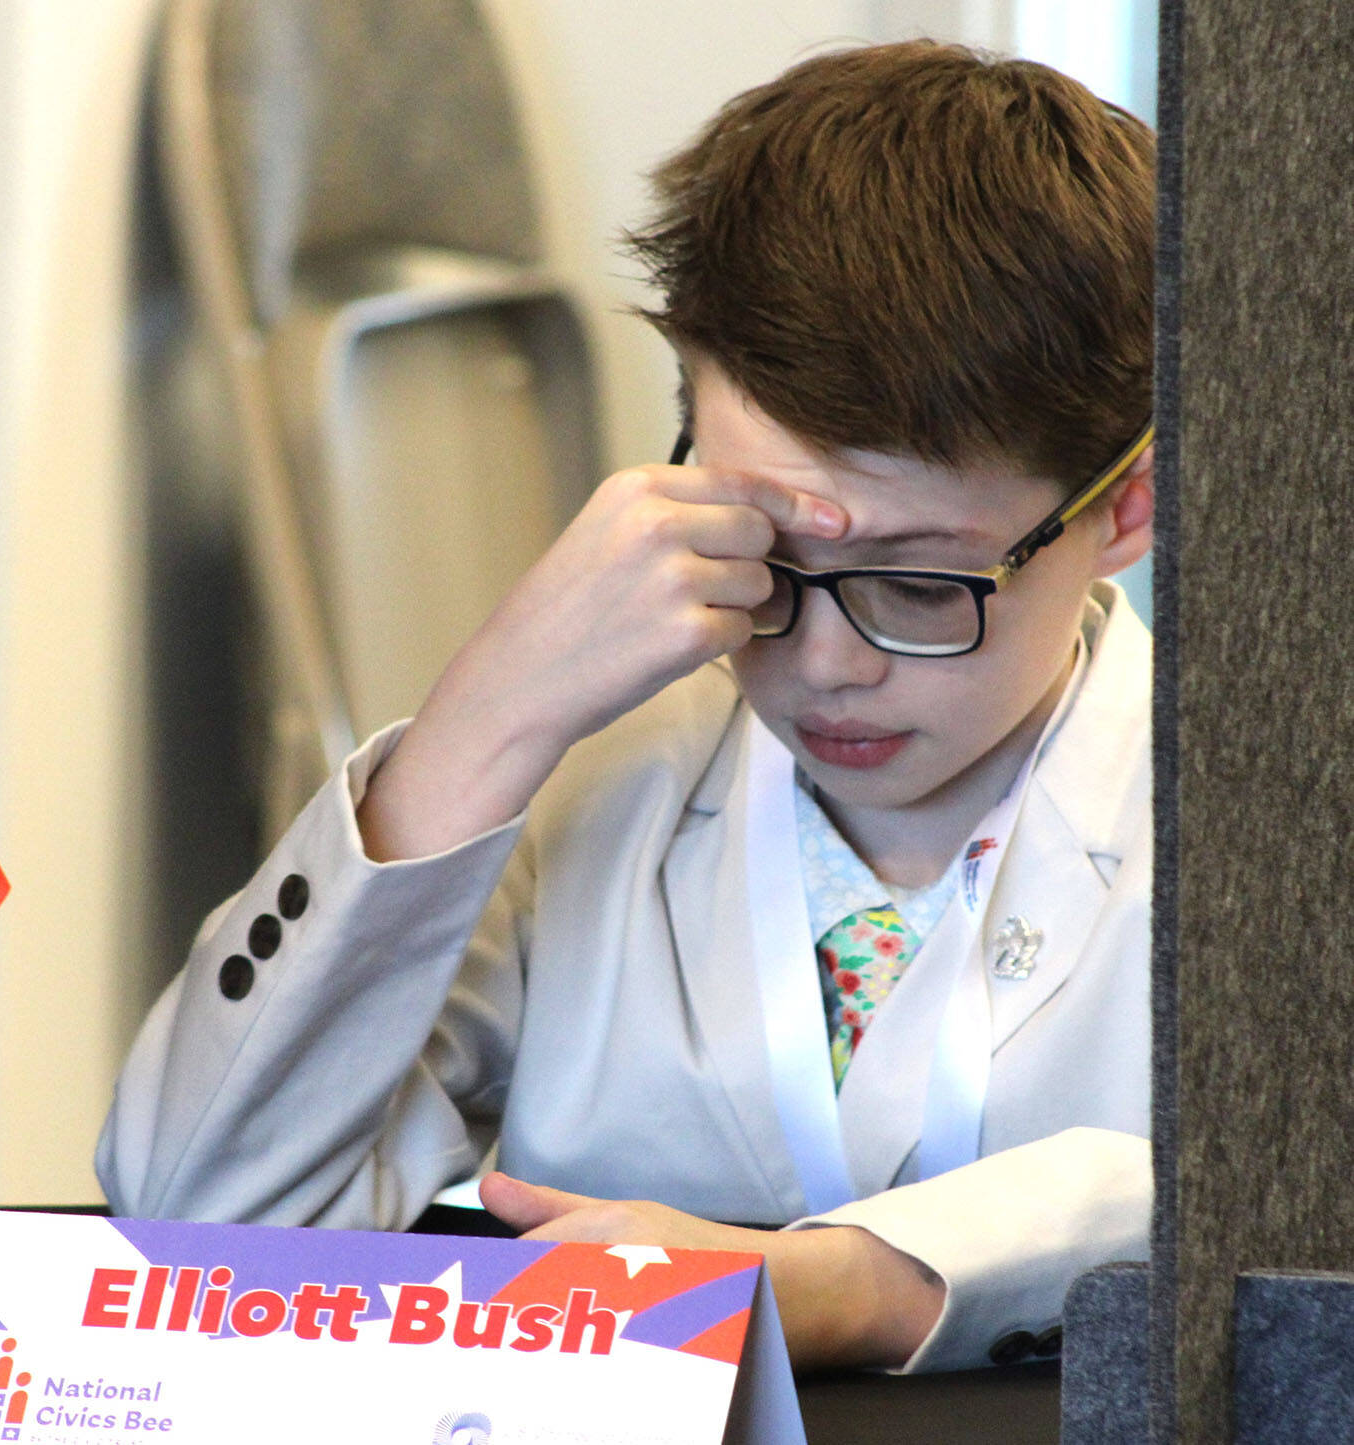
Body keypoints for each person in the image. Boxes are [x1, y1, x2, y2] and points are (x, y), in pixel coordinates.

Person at [97, 39, 1154, 1375]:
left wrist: (850, 1287)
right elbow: (197, 1211)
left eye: (918, 583)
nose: (825, 659)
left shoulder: (1256, 826)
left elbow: (1278, 1216)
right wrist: (486, 712)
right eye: (759, 548)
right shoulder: (591, 787)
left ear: (1126, 507)